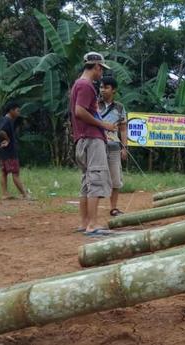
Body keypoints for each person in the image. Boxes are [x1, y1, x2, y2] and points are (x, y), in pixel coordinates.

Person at [70, 51, 117, 236]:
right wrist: (103, 124)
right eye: (101, 69)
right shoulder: (86, 85)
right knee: (96, 180)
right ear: (96, 67)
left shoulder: (77, 84)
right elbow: (79, 111)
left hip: (83, 139)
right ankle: (92, 225)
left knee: (87, 182)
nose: (101, 74)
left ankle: (84, 223)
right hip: (91, 139)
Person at [98, 76, 128, 217]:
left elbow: (123, 129)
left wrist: (124, 147)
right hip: (97, 145)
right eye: (101, 87)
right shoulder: (95, 105)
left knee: (115, 179)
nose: (103, 90)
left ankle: (114, 208)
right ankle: (93, 210)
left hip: (114, 147)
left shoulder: (120, 107)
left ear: (114, 90)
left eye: (106, 87)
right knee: (96, 177)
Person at [0, 101, 30, 200]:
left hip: (3, 151)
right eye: (17, 110)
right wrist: (7, 139)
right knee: (15, 173)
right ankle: (25, 194)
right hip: (9, 151)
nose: (19, 113)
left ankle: (4, 194)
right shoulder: (7, 120)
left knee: (4, 172)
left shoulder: (4, 119)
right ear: (11, 110)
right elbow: (2, 131)